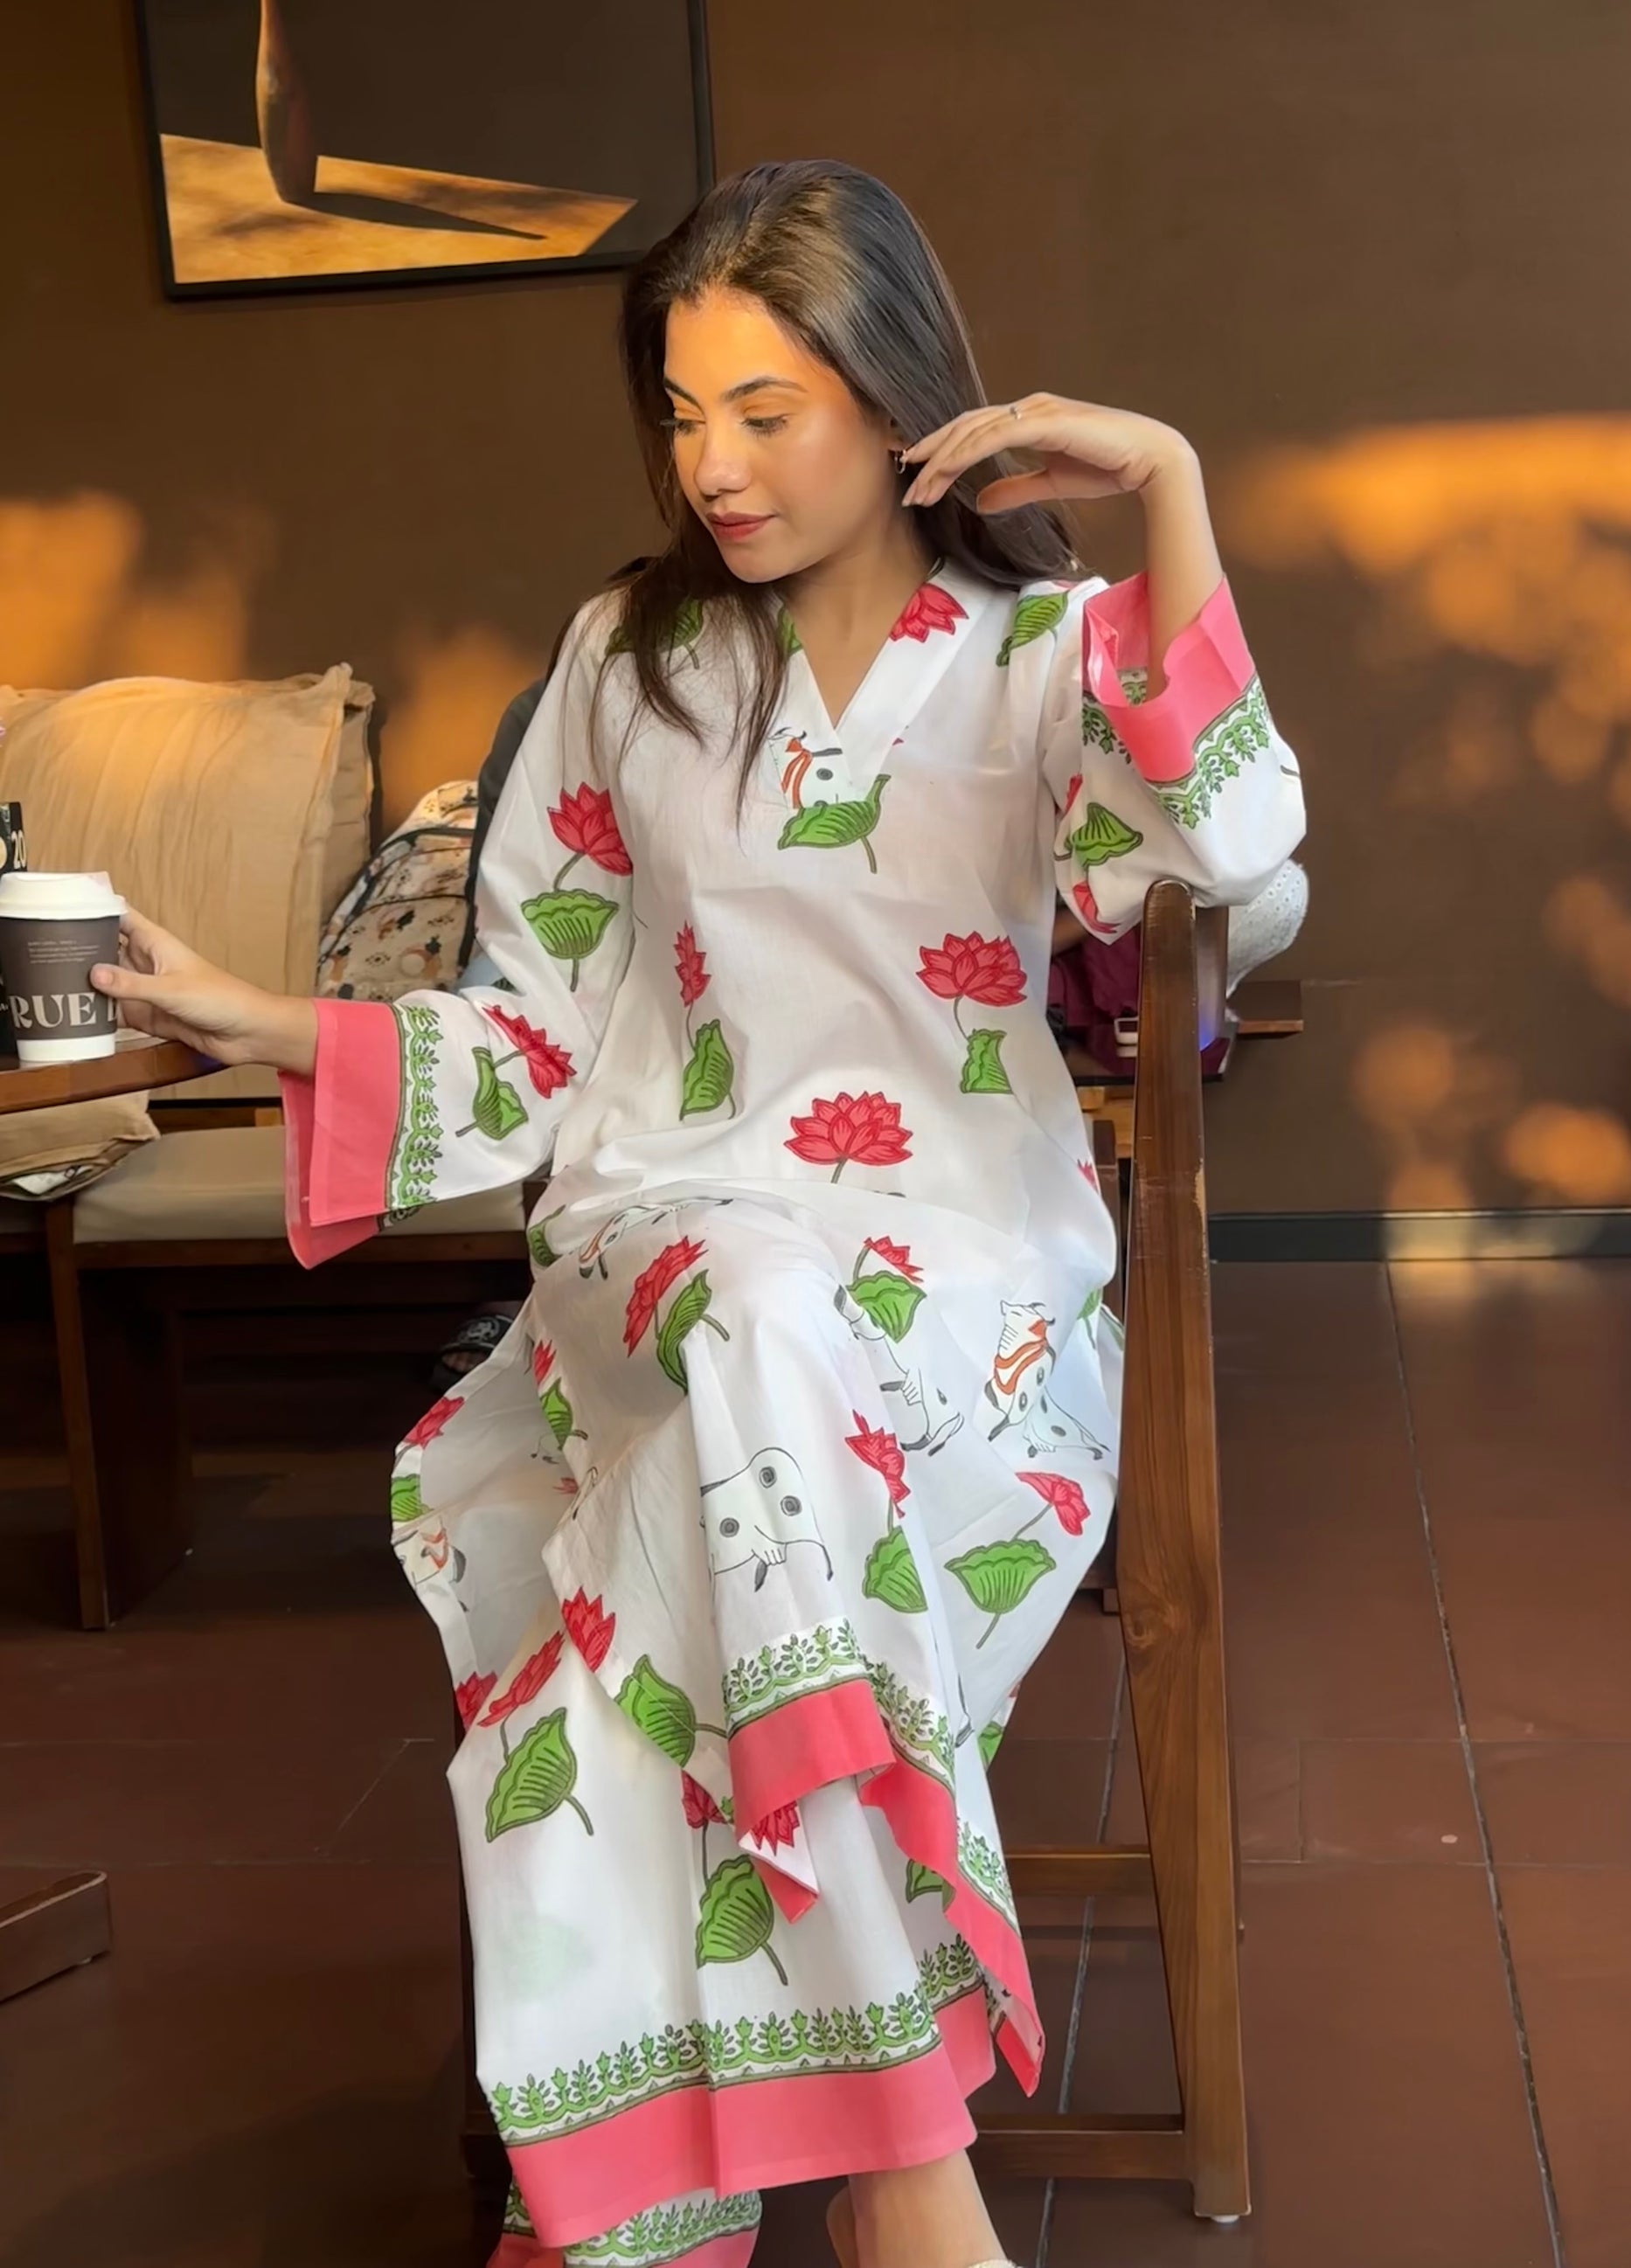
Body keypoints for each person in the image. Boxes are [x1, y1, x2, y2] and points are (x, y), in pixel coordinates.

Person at [94, 160, 1305, 2268]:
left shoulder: (1041, 659)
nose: (712, 465)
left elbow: (1231, 841)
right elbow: (532, 1027)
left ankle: (654, 2201)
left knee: (654, 1611)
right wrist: (270, 1022)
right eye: (680, 413)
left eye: (766, 409)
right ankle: (907, 2179)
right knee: (748, 1302)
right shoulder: (625, 661)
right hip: (665, 1248)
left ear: (899, 395)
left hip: (965, 1282)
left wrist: (1171, 483)